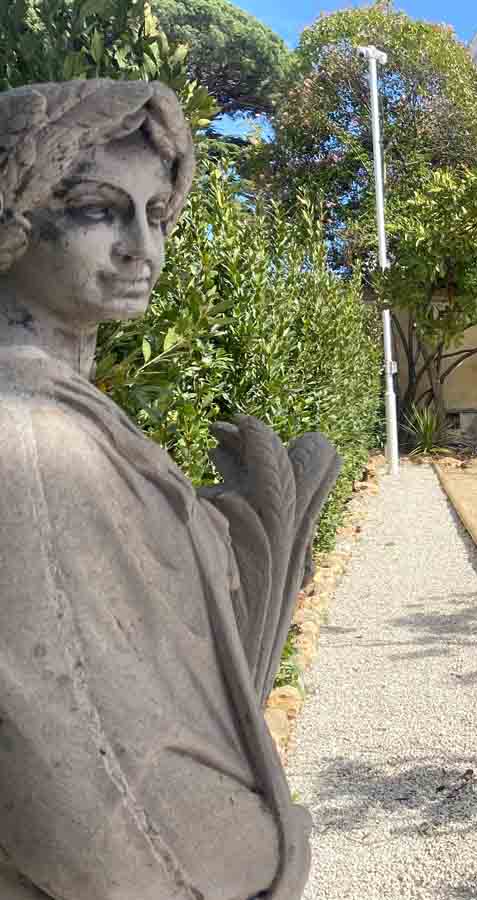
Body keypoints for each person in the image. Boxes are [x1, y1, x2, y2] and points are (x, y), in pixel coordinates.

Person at [0, 79, 336, 899]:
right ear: (13, 221)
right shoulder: (30, 440)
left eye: (156, 215)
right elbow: (71, 768)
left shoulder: (77, 416)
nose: (141, 249)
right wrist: (272, 850)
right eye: (98, 210)